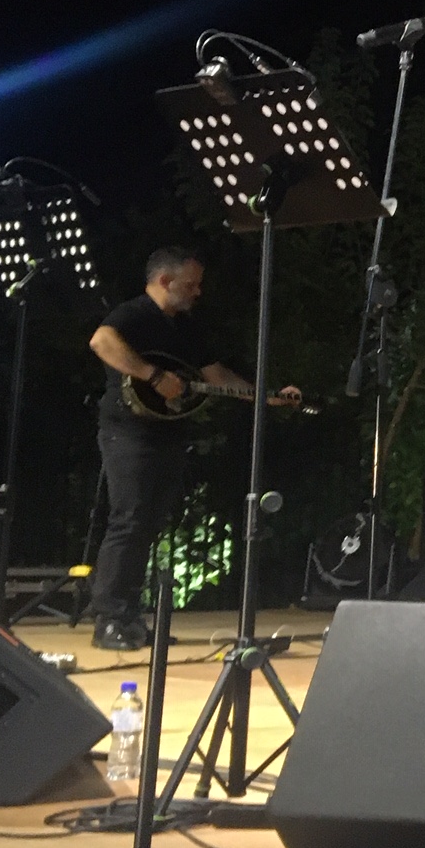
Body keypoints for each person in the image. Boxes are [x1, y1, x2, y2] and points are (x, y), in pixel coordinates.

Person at [86, 248, 299, 651]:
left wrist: (267, 396)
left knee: (149, 522)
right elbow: (101, 341)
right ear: (165, 281)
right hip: (128, 431)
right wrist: (152, 375)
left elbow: (216, 376)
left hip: (167, 432)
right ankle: (108, 618)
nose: (198, 292)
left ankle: (129, 616)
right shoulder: (135, 314)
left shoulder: (186, 327)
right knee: (129, 519)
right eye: (191, 284)